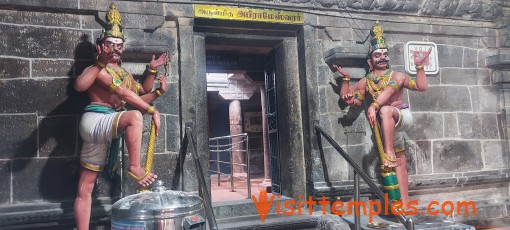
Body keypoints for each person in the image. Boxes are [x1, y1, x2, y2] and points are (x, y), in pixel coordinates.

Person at [73, 3, 168, 229]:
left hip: (108, 125)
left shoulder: (122, 72)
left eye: (118, 45)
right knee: (134, 116)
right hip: (96, 121)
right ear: (100, 47)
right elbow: (80, 86)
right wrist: (150, 111)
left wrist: (154, 82)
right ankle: (135, 167)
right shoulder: (98, 70)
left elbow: (138, 95)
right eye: (110, 44)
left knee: (85, 187)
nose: (115, 48)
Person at [335, 21, 431, 209]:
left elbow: (421, 86)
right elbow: (351, 99)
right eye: (377, 55)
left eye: (385, 55)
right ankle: (402, 206)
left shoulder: (397, 76)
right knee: (399, 163)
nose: (382, 58)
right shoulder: (365, 81)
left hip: (401, 117)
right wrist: (345, 81)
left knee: (386, 111)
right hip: (384, 128)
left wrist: (420, 67)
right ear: (370, 61)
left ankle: (388, 152)